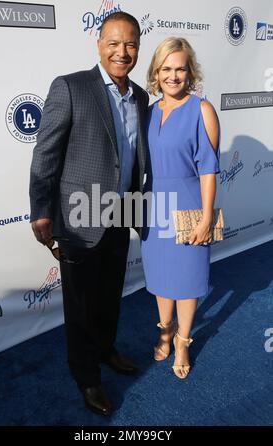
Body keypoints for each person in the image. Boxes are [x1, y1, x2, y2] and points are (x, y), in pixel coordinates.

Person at [29, 12, 149, 415]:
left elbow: (132, 159)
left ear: (138, 47)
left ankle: (105, 349)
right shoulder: (71, 87)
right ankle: (86, 375)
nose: (122, 52)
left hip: (121, 211)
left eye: (130, 44)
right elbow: (45, 153)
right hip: (79, 217)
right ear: (98, 44)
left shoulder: (140, 96)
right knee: (79, 303)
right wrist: (41, 210)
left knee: (110, 293)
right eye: (114, 43)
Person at [141, 37, 220, 379]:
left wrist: (206, 216)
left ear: (190, 72)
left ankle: (183, 341)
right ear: (156, 73)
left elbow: (208, 167)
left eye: (180, 69)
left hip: (188, 205)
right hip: (152, 205)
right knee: (161, 277)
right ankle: (164, 331)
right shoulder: (147, 112)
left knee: (186, 280)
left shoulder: (201, 109)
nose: (173, 76)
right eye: (166, 69)